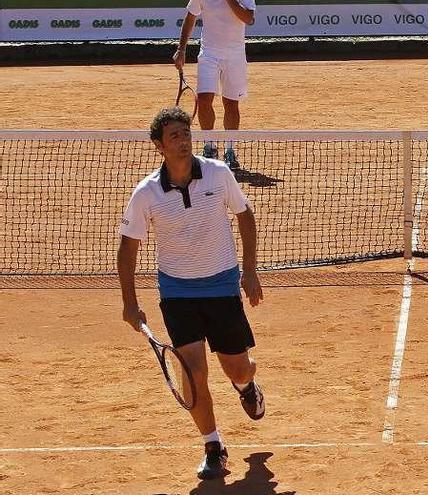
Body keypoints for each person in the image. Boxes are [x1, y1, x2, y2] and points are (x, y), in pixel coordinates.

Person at [117, 107, 265, 480]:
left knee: (237, 366)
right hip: (177, 292)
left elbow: (245, 215)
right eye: (175, 137)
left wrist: (249, 271)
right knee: (194, 371)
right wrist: (130, 304)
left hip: (221, 286)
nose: (183, 142)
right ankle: (213, 446)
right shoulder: (146, 193)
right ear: (158, 146)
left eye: (186, 134)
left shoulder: (218, 173)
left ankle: (246, 385)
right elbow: (127, 249)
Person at [174, 0, 256, 170]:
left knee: (231, 105)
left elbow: (248, 18)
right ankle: (209, 147)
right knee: (203, 101)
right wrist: (181, 49)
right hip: (209, 55)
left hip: (235, 57)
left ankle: (230, 151)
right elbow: (190, 17)